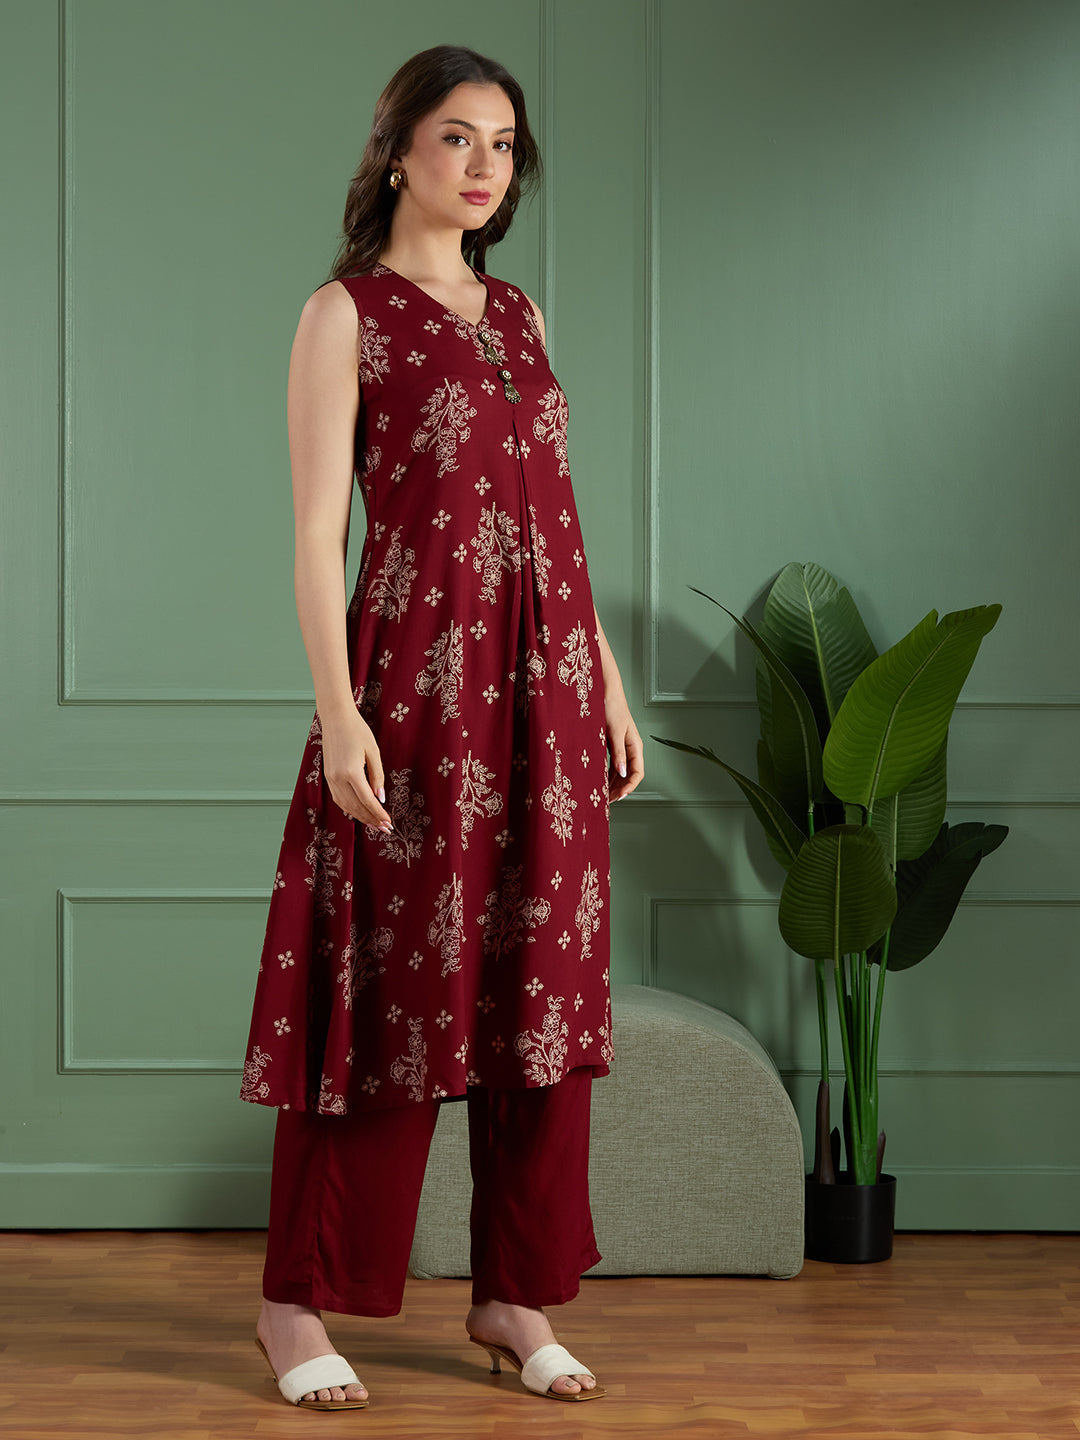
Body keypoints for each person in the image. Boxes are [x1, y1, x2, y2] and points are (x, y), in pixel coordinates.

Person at [239, 43, 644, 1411]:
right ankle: (296, 1304)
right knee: (386, 992)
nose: (484, 166)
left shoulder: (519, 315)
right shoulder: (344, 314)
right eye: (459, 137)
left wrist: (605, 677)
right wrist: (336, 706)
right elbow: (316, 530)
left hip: (549, 698)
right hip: (413, 694)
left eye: (504, 146)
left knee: (541, 994)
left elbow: (555, 519)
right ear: (398, 149)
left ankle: (514, 1295)